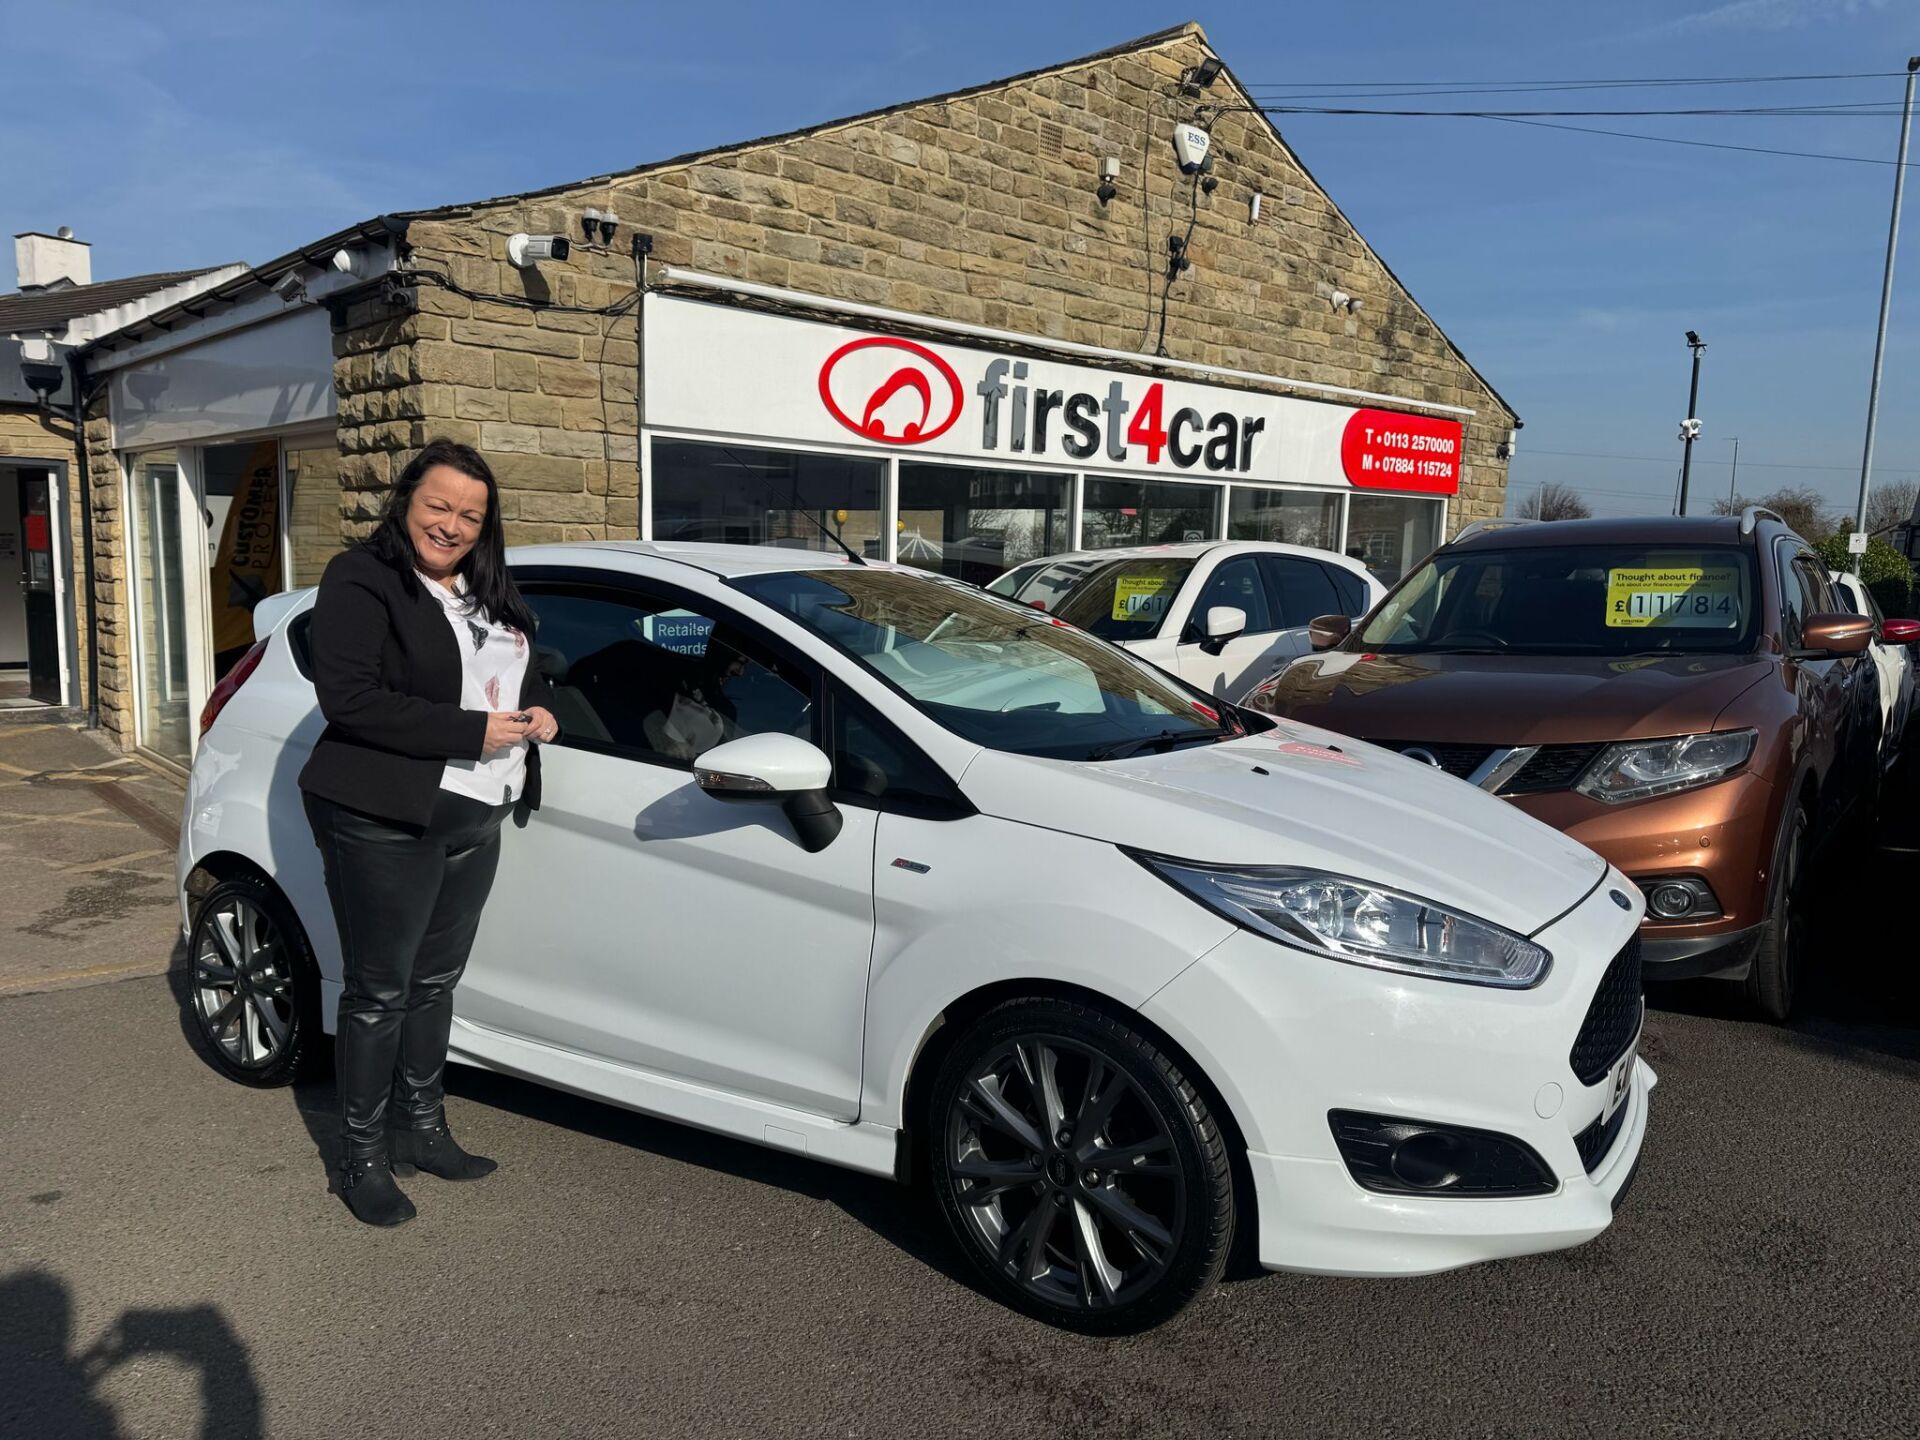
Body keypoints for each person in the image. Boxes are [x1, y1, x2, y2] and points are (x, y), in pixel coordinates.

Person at [298, 438, 558, 1226]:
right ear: (408, 500)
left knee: (435, 983)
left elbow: (517, 671)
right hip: (385, 817)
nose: (451, 525)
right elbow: (351, 698)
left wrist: (543, 710)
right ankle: (362, 1157)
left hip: (476, 813)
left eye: (470, 515)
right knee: (379, 991)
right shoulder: (362, 577)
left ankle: (424, 1129)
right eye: (439, 505)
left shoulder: (487, 589)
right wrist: (466, 732)